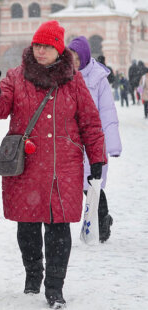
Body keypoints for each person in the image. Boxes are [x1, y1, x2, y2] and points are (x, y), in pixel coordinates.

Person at [0, 21, 106, 309]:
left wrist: (96, 159)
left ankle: (54, 288)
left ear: (58, 48)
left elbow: (90, 122)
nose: (41, 51)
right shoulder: (16, 76)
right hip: (25, 166)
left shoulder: (73, 81)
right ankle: (32, 275)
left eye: (47, 46)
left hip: (64, 168)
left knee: (59, 228)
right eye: (37, 45)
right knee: (27, 227)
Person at [68, 36, 122, 243]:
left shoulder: (98, 78)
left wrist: (113, 145)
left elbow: (108, 113)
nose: (73, 62)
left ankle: (102, 221)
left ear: (84, 57)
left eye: (76, 59)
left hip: (93, 141)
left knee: (92, 184)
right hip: (71, 141)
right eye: (70, 58)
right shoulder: (64, 76)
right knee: (75, 184)